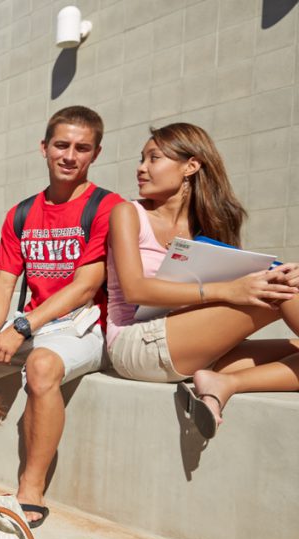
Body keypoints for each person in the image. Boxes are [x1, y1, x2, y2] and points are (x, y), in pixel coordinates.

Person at [0, 105, 123, 528]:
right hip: (32, 321)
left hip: (83, 324)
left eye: (82, 148)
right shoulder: (22, 212)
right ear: (44, 148)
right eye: (62, 145)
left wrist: (19, 330)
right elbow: (3, 280)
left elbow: (85, 287)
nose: (70, 155)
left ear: (96, 153)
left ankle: (30, 489)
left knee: (42, 366)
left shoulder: (107, 207)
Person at [106, 122, 299, 437]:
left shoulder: (207, 227)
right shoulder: (128, 213)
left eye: (153, 158)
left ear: (190, 166)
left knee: (294, 336)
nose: (141, 168)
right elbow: (134, 288)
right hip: (136, 342)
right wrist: (229, 290)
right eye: (141, 159)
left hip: (191, 340)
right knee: (281, 288)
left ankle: (224, 383)